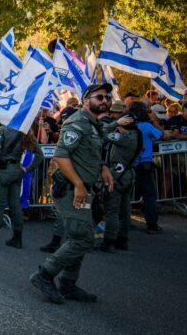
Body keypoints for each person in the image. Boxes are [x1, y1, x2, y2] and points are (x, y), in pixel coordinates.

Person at [30, 83, 116, 304]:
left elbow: (90, 153)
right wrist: (78, 184)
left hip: (86, 190)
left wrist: (103, 167)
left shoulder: (93, 124)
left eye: (107, 97)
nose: (104, 100)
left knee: (80, 236)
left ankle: (68, 285)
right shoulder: (77, 122)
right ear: (86, 100)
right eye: (99, 97)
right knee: (83, 238)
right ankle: (44, 275)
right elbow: (60, 156)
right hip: (71, 190)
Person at [0, 124, 44, 250]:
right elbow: (40, 155)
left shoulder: (3, 130)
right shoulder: (26, 131)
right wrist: (28, 169)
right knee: (15, 205)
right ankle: (17, 238)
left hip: (2, 171)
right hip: (17, 170)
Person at [99, 111, 138, 252]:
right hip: (129, 173)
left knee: (113, 209)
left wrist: (115, 123)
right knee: (125, 209)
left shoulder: (124, 137)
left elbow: (101, 133)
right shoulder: (136, 135)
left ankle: (108, 241)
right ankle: (122, 240)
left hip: (118, 174)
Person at [130, 101, 166, 234]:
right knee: (149, 195)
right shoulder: (146, 126)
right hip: (144, 165)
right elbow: (162, 135)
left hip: (129, 165)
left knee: (126, 196)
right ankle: (152, 225)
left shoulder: (127, 125)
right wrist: (154, 120)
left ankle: (124, 224)